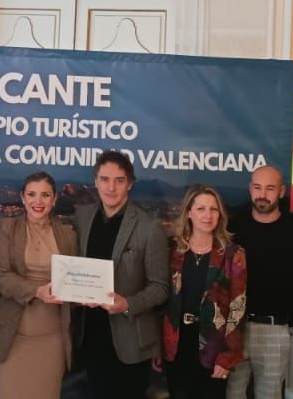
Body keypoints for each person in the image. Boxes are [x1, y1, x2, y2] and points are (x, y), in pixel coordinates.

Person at [73, 150, 172, 399]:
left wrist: (127, 304)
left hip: (130, 344)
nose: (111, 187)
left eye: (119, 180)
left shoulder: (149, 226)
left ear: (130, 183)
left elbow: (160, 287)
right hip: (89, 338)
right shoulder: (82, 218)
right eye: (105, 179)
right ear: (96, 182)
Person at [0, 171, 78, 397]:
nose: (38, 201)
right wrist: (37, 291)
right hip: (11, 338)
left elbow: (74, 278)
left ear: (54, 199)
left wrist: (86, 294)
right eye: (32, 194)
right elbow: (0, 275)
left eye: (45, 195)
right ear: (22, 197)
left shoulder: (68, 234)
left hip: (52, 338)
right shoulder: (7, 228)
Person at [225, 165, 293, 399]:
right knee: (231, 394)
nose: (262, 194)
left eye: (270, 188)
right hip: (235, 328)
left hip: (274, 329)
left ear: (281, 191)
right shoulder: (233, 228)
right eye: (257, 187)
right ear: (250, 189)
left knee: (269, 395)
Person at [159, 185, 247, 398]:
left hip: (214, 348)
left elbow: (238, 309)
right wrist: (157, 348)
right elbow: (162, 301)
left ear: (220, 215)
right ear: (189, 213)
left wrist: (227, 356)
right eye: (201, 209)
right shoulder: (171, 250)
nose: (208, 215)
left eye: (213, 209)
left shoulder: (233, 254)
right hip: (175, 346)